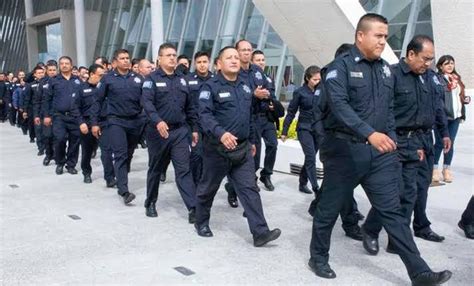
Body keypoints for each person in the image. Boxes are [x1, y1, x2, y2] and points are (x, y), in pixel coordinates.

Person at [308, 13, 452, 285]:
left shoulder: (386, 69)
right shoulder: (339, 68)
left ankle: (418, 271)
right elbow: (340, 108)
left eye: (385, 36)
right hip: (344, 152)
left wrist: (390, 140)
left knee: (393, 211)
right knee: (328, 209)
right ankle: (318, 257)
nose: (383, 41)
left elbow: (388, 110)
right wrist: (370, 134)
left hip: (379, 154)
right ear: (360, 36)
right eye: (378, 35)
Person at [363, 35, 451, 254]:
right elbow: (384, 111)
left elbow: (436, 107)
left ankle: (397, 240)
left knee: (410, 193)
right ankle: (371, 229)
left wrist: (444, 133)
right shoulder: (391, 75)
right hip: (396, 140)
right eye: (425, 58)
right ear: (411, 54)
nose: (428, 63)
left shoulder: (428, 77)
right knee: (395, 192)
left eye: (431, 59)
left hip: (421, 140)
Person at [194, 46, 281, 247]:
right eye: (229, 58)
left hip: (242, 150)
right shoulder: (210, 87)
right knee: (208, 188)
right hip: (217, 149)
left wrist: (251, 140)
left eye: (236, 57)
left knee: (250, 189)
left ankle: (260, 232)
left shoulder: (244, 86)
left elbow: (248, 116)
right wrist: (221, 133)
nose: (234, 60)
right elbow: (204, 116)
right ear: (219, 64)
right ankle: (201, 221)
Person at [141, 43, 198, 220]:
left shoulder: (182, 80)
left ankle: (193, 208)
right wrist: (158, 121)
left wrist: (194, 128)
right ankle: (150, 202)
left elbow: (190, 107)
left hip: (180, 132)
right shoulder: (151, 80)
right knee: (156, 169)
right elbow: (147, 104)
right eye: (168, 55)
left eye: (174, 55)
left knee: (183, 170)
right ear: (159, 59)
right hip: (158, 134)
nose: (173, 58)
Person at [92, 49, 146, 205]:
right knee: (120, 154)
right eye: (122, 58)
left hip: (135, 121)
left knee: (129, 153)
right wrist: (94, 123)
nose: (126, 61)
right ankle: (124, 190)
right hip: (116, 121)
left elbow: (146, 100)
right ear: (115, 61)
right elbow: (97, 101)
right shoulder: (108, 79)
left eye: (127, 58)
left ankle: (122, 176)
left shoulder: (137, 78)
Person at [281, 66, 322, 194]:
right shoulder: (300, 92)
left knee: (310, 158)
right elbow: (291, 112)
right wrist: (284, 131)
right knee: (310, 156)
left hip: (318, 129)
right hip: (304, 129)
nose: (318, 82)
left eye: (319, 79)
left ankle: (302, 182)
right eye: (315, 79)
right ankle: (316, 188)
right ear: (307, 78)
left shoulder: (321, 91)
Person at [432, 55, 469, 183]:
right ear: (440, 66)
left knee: (450, 144)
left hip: (455, 117)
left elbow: (460, 97)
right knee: (439, 143)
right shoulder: (437, 79)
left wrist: (463, 107)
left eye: (452, 63)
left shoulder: (457, 79)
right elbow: (438, 99)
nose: (450, 66)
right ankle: (434, 168)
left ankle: (446, 169)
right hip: (442, 117)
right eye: (446, 63)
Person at [43, 56, 82, 175]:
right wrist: (47, 115)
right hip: (59, 116)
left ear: (71, 65)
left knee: (74, 142)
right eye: (62, 63)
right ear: (59, 66)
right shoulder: (53, 80)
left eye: (67, 63)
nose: (64, 65)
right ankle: (60, 162)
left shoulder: (78, 81)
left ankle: (71, 164)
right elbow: (47, 99)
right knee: (59, 139)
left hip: (75, 116)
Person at [74, 64, 106, 184]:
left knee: (107, 150)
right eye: (100, 75)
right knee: (87, 151)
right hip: (86, 123)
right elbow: (75, 107)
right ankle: (86, 172)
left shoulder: (104, 88)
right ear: (92, 74)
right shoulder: (81, 88)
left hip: (102, 122)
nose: (102, 78)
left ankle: (110, 175)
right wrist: (81, 122)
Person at [186, 51, 214, 184]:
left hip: (211, 125)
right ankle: (195, 184)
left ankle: (204, 183)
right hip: (194, 124)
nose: (202, 65)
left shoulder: (215, 80)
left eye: (204, 62)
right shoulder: (188, 80)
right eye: (199, 62)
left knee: (209, 156)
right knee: (196, 155)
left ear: (209, 63)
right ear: (194, 64)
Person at [36, 60, 58, 166]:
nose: (52, 72)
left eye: (54, 70)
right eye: (50, 70)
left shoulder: (61, 80)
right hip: (45, 114)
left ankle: (58, 156)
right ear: (46, 71)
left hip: (58, 114)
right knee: (48, 136)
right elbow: (38, 100)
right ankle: (49, 155)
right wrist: (37, 115)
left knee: (59, 137)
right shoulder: (42, 82)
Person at [22, 66, 45, 152]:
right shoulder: (31, 85)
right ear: (35, 74)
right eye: (39, 73)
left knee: (46, 130)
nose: (41, 75)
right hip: (34, 109)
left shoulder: (48, 84)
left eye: (42, 73)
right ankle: (41, 148)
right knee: (38, 129)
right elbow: (27, 99)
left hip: (46, 109)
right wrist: (25, 110)